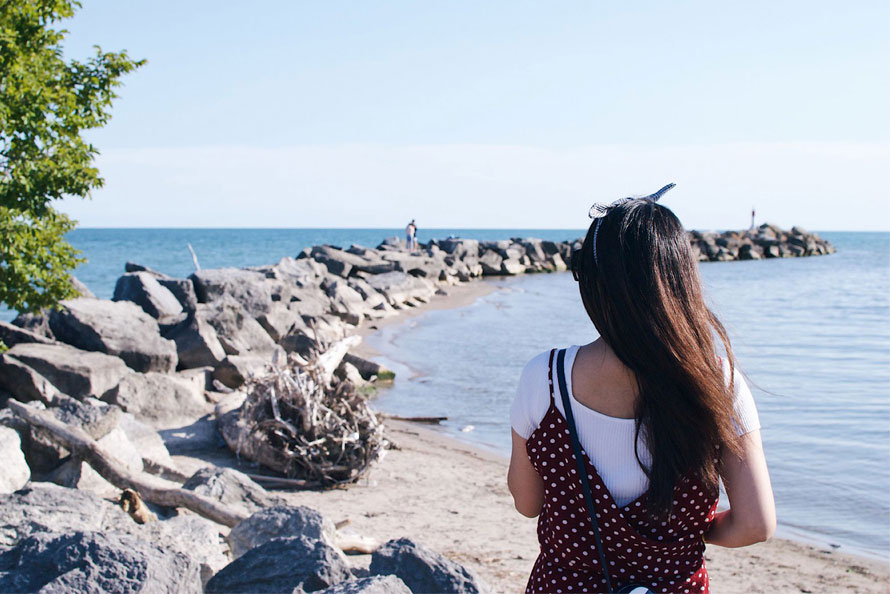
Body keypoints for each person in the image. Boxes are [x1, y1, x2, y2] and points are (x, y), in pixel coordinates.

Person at [507, 185, 775, 593]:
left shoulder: (545, 378)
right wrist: (690, 534)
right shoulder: (718, 382)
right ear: (681, 281)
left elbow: (528, 504)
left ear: (596, 285)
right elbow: (756, 524)